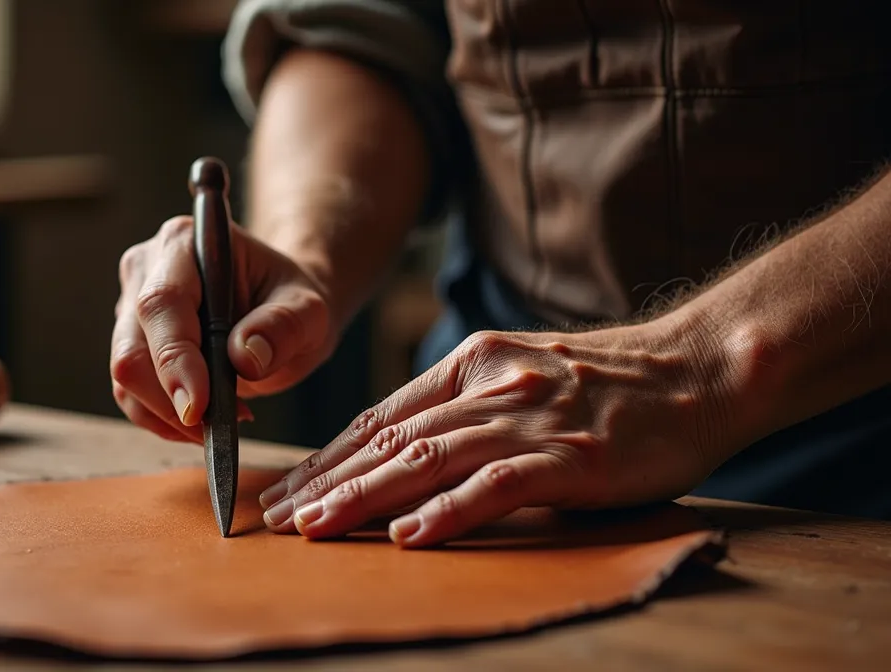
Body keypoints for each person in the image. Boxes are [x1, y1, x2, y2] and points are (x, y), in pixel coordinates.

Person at [109, 0, 891, 547]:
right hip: (484, 422)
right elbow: (361, 29)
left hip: (860, 440)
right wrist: (303, 254)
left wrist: (705, 366)